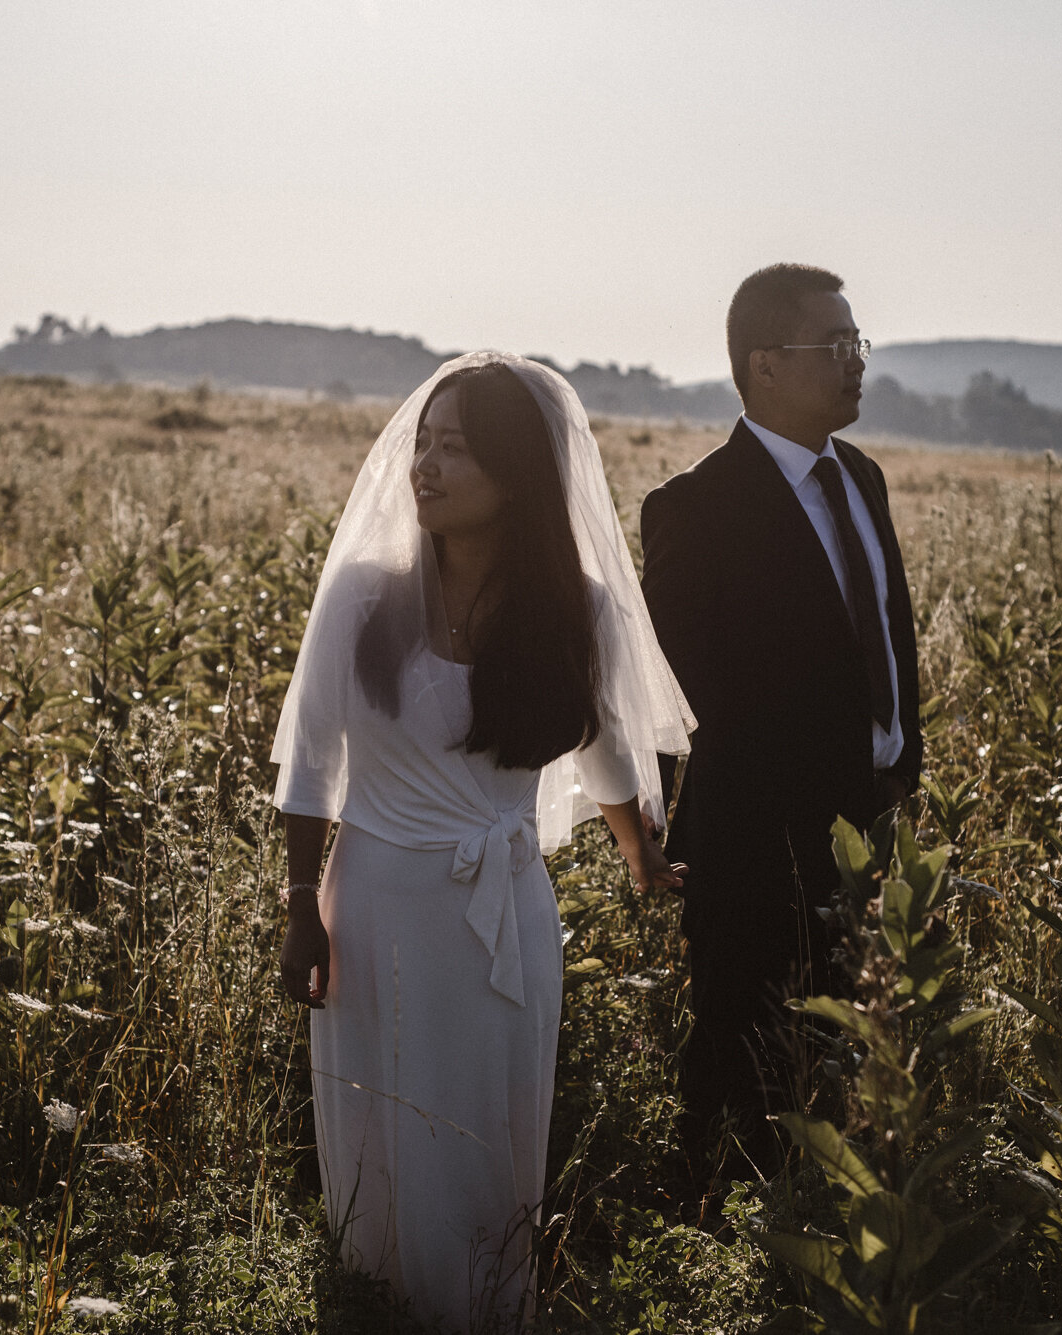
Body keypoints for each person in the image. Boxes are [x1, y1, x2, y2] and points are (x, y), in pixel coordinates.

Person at [271, 352, 694, 1332]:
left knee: (483, 1145)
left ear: (516, 474)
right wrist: (299, 910)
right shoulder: (363, 599)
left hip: (500, 916)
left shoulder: (573, 610)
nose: (424, 465)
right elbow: (306, 763)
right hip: (372, 907)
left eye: (455, 449)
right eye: (422, 443)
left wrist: (639, 854)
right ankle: (377, 1309)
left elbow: (602, 749)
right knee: (383, 1142)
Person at [640, 263, 924, 1185]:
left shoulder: (866, 480)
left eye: (858, 344)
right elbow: (687, 694)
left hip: (868, 829)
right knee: (740, 1067)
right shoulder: (695, 507)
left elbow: (887, 643)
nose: (856, 364)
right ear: (765, 365)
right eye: (834, 347)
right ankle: (708, 1248)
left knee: (845, 1067)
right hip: (755, 844)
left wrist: (896, 781)